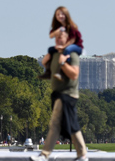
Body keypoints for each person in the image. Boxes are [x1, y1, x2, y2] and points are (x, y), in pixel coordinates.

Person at [31, 29, 87, 161]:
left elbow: (74, 74)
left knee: (55, 123)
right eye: (56, 38)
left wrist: (63, 63)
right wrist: (49, 57)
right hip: (58, 94)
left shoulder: (71, 55)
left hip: (67, 94)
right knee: (70, 124)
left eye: (61, 38)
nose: (58, 40)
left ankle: (45, 154)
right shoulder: (56, 53)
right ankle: (82, 154)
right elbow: (46, 65)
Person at [39, 7, 84, 81]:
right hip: (64, 46)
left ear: (66, 15)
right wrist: (57, 31)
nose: (60, 16)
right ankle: (48, 71)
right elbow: (51, 36)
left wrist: (63, 47)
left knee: (67, 49)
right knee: (50, 49)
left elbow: (72, 40)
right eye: (58, 14)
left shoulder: (71, 27)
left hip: (76, 46)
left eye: (62, 14)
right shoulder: (58, 27)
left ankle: (63, 70)